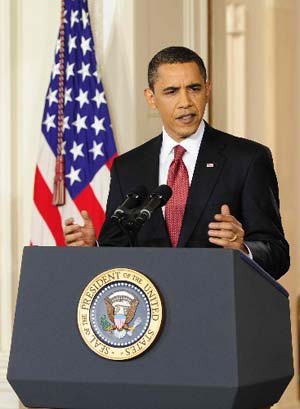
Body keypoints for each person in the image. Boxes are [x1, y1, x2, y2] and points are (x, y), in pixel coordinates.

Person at [64, 46, 289, 280]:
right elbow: (117, 252)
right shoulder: (128, 167)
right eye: (171, 91)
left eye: (194, 88)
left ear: (207, 90)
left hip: (218, 307)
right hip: (149, 311)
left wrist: (242, 249)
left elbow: (278, 254)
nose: (185, 102)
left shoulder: (248, 159)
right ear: (151, 98)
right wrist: (93, 250)